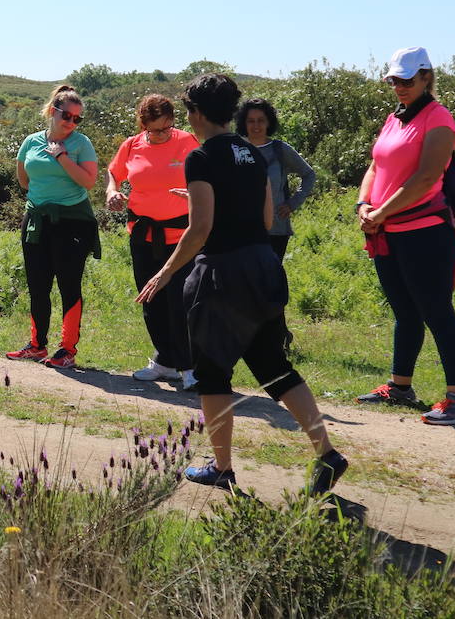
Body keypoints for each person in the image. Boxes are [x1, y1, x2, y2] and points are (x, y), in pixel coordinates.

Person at [137, 73, 346, 494]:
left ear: (195, 112)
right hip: (263, 267)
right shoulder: (252, 153)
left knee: (213, 374)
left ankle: (222, 467)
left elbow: (200, 230)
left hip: (222, 276)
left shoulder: (202, 156)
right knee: (274, 366)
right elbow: (266, 219)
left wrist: (166, 272)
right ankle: (327, 453)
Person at [354, 47, 455, 425]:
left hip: (425, 232)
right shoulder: (395, 118)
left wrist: (380, 212)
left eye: (407, 80)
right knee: (405, 312)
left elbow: (425, 177)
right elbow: (376, 164)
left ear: (426, 77)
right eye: (394, 80)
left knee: (437, 311)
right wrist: (362, 206)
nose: (400, 87)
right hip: (388, 231)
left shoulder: (439, 119)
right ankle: (400, 386)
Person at [106, 94, 199, 388]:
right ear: (143, 124)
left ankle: (190, 368)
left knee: (180, 301)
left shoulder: (188, 142)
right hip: (143, 234)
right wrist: (112, 191)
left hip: (182, 237)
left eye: (167, 128)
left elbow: (208, 178)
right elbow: (114, 172)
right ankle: (165, 362)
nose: (162, 135)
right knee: (151, 300)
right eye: (155, 130)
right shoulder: (132, 145)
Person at [5, 85, 99, 369]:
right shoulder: (31, 141)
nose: (70, 122)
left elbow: (88, 181)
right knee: (37, 284)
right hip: (36, 221)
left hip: (73, 223)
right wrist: (41, 199)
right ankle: (36, 345)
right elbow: (24, 178)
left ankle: (67, 350)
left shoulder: (81, 144)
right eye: (66, 116)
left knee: (69, 285)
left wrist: (61, 156)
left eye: (76, 119)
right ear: (52, 111)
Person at [236, 97, 315, 349]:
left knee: (269, 282)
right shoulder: (236, 148)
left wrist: (292, 203)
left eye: (261, 120)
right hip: (243, 227)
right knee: (247, 283)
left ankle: (278, 336)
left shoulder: (280, 150)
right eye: (251, 121)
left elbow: (308, 175)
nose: (256, 125)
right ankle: (261, 336)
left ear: (269, 122)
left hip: (276, 229)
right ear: (243, 123)